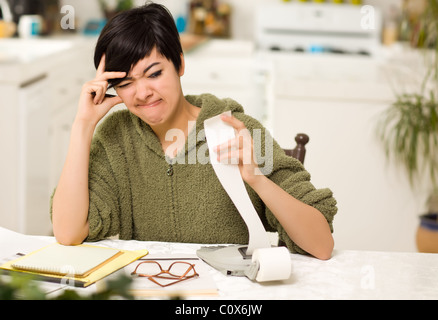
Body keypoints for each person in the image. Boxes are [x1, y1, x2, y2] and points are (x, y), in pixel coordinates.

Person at [51, 2, 337, 260]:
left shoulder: (238, 131)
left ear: (180, 64)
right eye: (125, 83)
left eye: (154, 74)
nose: (142, 93)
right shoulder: (116, 136)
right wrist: (83, 124)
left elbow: (321, 246)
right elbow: (68, 232)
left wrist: (257, 179)